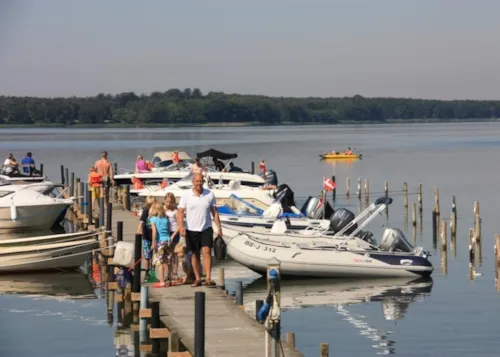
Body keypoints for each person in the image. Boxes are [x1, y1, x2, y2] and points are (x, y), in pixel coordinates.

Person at [178, 172, 222, 287]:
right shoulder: (186, 195)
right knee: (194, 254)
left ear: (203, 182)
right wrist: (181, 227)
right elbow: (181, 212)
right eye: (196, 181)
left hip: (206, 227)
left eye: (200, 181)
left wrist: (219, 227)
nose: (198, 183)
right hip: (191, 229)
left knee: (207, 252)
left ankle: (208, 277)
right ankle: (197, 278)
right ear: (193, 182)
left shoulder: (209, 194)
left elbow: (214, 211)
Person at [149, 201, 172, 288]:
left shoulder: (153, 219)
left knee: (160, 262)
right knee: (168, 260)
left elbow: (154, 232)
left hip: (160, 242)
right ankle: (170, 279)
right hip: (168, 240)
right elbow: (168, 230)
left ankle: (162, 281)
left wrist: (153, 243)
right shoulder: (165, 218)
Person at [136, 196, 155, 281]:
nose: (151, 207)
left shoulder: (156, 211)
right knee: (147, 256)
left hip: (155, 237)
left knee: (155, 257)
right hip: (146, 236)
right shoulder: (146, 211)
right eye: (149, 205)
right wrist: (139, 230)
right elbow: (142, 221)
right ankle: (147, 273)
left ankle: (153, 273)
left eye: (152, 205)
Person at [165, 192, 180, 279]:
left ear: (173, 202)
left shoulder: (176, 211)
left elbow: (179, 225)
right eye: (167, 202)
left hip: (174, 232)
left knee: (175, 254)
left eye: (170, 202)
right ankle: (168, 272)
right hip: (166, 233)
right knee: (167, 254)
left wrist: (174, 235)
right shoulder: (164, 210)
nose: (168, 204)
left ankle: (175, 272)